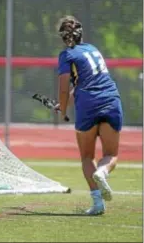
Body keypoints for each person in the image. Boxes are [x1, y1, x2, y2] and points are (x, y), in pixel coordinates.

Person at [55, 15, 123, 215]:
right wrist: (65, 102)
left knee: (86, 157)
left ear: (62, 37)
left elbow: (64, 89)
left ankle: (98, 203)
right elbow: (90, 79)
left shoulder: (66, 55)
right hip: (111, 99)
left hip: (87, 106)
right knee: (111, 155)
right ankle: (102, 172)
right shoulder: (94, 49)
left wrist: (63, 108)